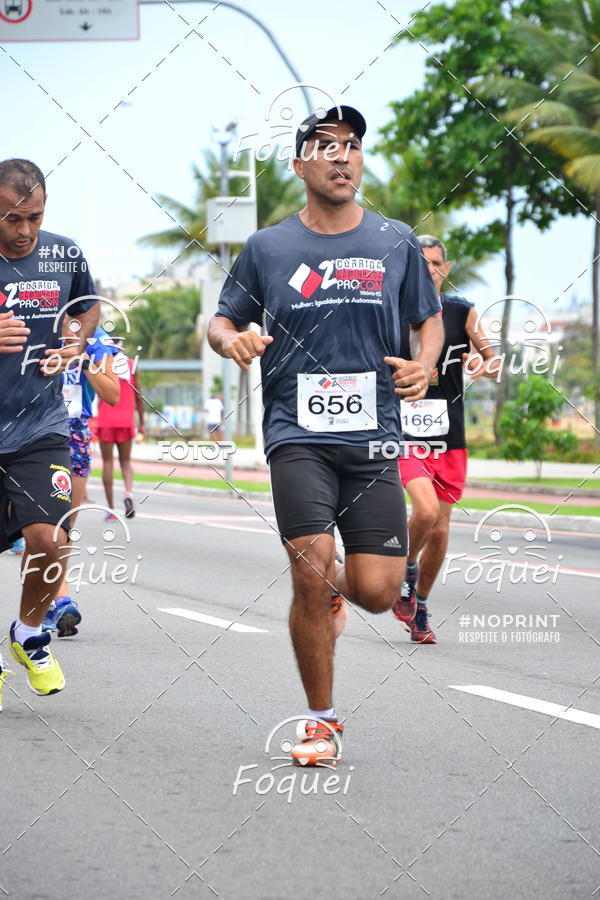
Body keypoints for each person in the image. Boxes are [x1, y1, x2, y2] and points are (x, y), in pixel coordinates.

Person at [208, 106, 443, 765]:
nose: (343, 158)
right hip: (296, 433)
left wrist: (424, 366)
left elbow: (429, 324)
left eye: (353, 148)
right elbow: (219, 323)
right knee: (310, 569)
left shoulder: (395, 242)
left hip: (374, 438)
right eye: (327, 148)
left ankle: (347, 588)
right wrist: (236, 340)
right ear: (300, 164)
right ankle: (321, 720)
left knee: (371, 591)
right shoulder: (267, 248)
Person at [0, 158, 99, 704]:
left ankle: (29, 632)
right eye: (13, 219)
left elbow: (87, 309)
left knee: (51, 538)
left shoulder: (63, 253)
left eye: (34, 217)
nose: (26, 232)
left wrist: (76, 341)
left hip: (40, 425)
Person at [392, 235, 499, 642]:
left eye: (436, 265)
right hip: (403, 433)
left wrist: (482, 363)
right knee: (424, 512)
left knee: (439, 530)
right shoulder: (391, 313)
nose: (430, 272)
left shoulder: (461, 311)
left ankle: (418, 604)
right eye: (422, 265)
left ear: (446, 269)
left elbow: (492, 359)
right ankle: (405, 568)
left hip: (450, 434)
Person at [42, 326, 120, 637]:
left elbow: (112, 394)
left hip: (73, 433)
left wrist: (83, 360)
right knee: (35, 526)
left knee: (61, 526)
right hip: (29, 429)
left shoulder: (97, 339)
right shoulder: (33, 321)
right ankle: (54, 598)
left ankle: (58, 600)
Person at [95, 341, 144, 520]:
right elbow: (139, 397)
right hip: (126, 420)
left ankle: (111, 510)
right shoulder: (131, 365)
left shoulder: (100, 363)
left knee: (107, 463)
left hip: (106, 419)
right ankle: (128, 494)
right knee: (125, 462)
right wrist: (142, 423)